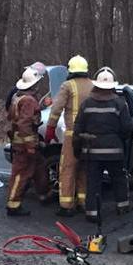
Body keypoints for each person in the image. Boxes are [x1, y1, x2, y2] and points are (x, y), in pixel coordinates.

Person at [74, 67, 133, 222]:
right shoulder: (119, 104)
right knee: (119, 180)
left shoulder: (86, 104)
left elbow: (77, 129)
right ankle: (122, 207)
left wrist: (77, 150)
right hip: (114, 152)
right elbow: (127, 128)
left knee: (93, 183)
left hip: (92, 152)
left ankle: (92, 213)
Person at [45, 55, 93, 217]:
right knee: (83, 169)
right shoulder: (93, 85)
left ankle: (66, 205)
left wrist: (50, 129)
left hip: (72, 135)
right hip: (90, 136)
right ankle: (83, 202)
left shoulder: (68, 86)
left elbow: (56, 109)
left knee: (67, 168)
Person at [5, 68, 50, 216]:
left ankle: (44, 194)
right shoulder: (29, 100)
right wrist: (30, 145)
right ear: (33, 85)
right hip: (25, 146)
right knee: (21, 174)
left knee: (40, 166)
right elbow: (25, 124)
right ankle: (13, 205)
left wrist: (43, 106)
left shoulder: (18, 97)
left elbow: (24, 116)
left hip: (21, 142)